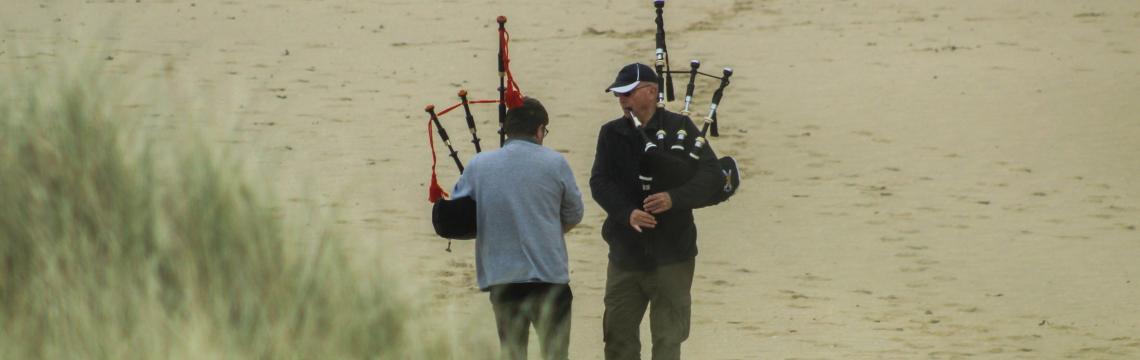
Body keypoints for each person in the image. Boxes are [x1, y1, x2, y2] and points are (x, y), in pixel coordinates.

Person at [589, 63, 722, 360]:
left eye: (628, 93)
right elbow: (600, 182)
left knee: (668, 340)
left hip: (673, 254)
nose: (622, 100)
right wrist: (626, 213)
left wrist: (674, 198)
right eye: (618, 94)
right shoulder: (611, 134)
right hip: (625, 254)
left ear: (651, 91)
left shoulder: (681, 128)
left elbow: (712, 177)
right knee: (618, 338)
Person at [451, 97, 585, 360]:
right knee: (555, 354)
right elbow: (574, 213)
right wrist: (545, 230)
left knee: (512, 353)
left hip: (503, 278)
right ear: (539, 130)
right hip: (549, 277)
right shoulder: (555, 162)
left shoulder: (479, 164)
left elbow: (457, 208)